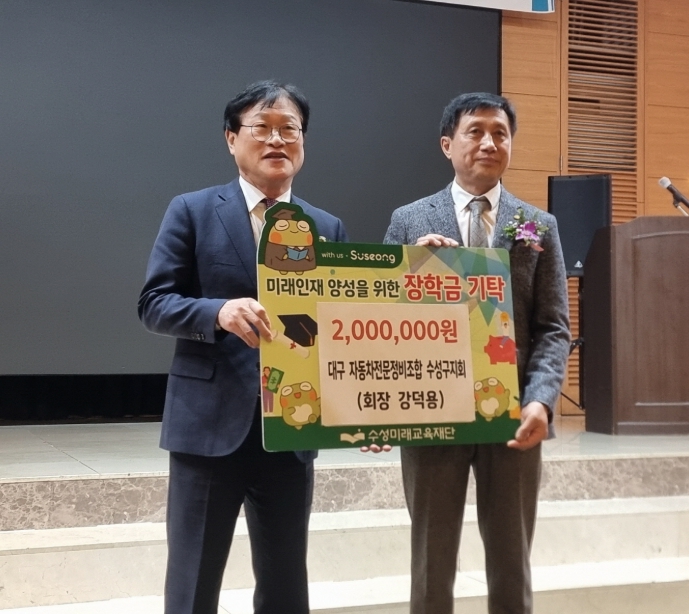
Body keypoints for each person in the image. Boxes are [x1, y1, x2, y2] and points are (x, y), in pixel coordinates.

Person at [138, 80, 348, 614]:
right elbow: (154, 303)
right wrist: (217, 312)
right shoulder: (192, 210)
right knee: (193, 584)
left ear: (303, 142)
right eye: (262, 127)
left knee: (285, 586)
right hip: (208, 428)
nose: (277, 139)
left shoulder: (325, 227)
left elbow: (344, 328)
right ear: (232, 139)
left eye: (290, 129)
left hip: (291, 430)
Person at [383, 92, 569, 614]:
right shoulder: (409, 220)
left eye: (500, 133)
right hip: (430, 412)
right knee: (430, 562)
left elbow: (553, 327)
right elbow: (381, 316)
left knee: (512, 562)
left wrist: (541, 400)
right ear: (448, 144)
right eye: (475, 131)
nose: (489, 142)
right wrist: (414, 269)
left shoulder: (538, 225)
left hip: (513, 416)